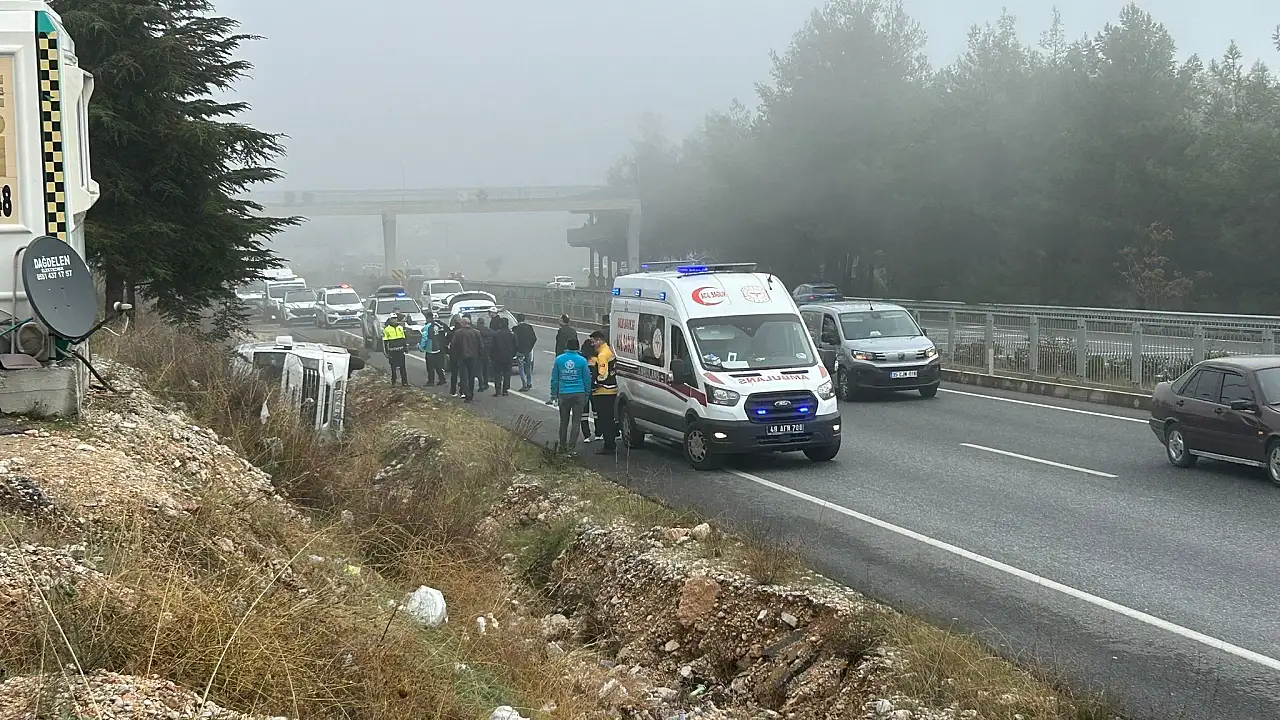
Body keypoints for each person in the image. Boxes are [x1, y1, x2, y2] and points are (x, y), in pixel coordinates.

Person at [550, 336, 590, 453]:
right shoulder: (582, 361)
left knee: (563, 422)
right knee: (576, 422)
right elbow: (587, 379)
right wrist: (587, 394)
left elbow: (554, 379)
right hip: (579, 393)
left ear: (566, 347)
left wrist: (553, 394)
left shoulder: (559, 360)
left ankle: (562, 446)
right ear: (578, 347)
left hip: (563, 393)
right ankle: (571, 448)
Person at [587, 330, 618, 453]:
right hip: (612, 390)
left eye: (593, 342)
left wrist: (594, 384)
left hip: (603, 391)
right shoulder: (609, 350)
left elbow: (603, 375)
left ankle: (609, 445)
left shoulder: (602, 355)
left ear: (599, 340)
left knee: (605, 420)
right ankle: (611, 442)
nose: (592, 344)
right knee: (609, 418)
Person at [450, 317, 483, 402]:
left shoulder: (458, 333)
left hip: (462, 357)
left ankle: (466, 394)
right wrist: (479, 356)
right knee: (471, 376)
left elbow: (453, 345)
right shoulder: (476, 332)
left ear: (463, 323)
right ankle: (471, 393)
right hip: (473, 357)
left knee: (464, 377)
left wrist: (455, 356)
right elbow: (480, 346)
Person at [419, 311, 448, 386]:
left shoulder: (427, 327)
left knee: (430, 366)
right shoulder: (438, 325)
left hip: (430, 348)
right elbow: (444, 334)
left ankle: (431, 381)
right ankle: (442, 379)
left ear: (427, 318)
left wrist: (421, 347)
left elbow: (424, 337)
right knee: (438, 365)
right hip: (438, 348)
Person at [490, 316, 517, 397]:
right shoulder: (512, 334)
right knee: (507, 374)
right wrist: (512, 354)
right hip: (508, 357)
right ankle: (505, 390)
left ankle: (498, 390)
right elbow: (516, 346)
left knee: (497, 374)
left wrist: (492, 356)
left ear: (500, 325)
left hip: (497, 357)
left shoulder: (496, 334)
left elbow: (492, 346)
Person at [512, 313, 537, 391]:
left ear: (517, 320)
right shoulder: (529, 327)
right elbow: (534, 338)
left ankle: (524, 384)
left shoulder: (515, 329)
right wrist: (530, 347)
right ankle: (529, 383)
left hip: (520, 351)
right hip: (528, 350)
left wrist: (516, 350)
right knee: (528, 367)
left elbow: (514, 341)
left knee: (521, 368)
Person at [382, 314, 408, 386]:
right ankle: (394, 381)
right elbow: (385, 342)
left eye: (396, 318)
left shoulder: (400, 328)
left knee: (402, 367)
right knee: (393, 367)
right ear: (390, 319)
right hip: (392, 351)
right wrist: (386, 352)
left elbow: (403, 339)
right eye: (393, 318)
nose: (395, 320)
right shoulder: (386, 329)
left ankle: (404, 382)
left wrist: (405, 348)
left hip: (400, 350)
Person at [477, 316, 495, 391]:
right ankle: (486, 383)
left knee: (479, 370)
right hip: (487, 353)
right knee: (486, 370)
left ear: (478, 323)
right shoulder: (489, 331)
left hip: (479, 353)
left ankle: (481, 385)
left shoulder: (476, 331)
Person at [447, 316, 462, 396]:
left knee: (454, 374)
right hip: (463, 355)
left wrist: (448, 352)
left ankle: (453, 390)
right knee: (463, 373)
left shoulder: (451, 332)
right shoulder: (464, 332)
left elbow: (445, 343)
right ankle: (462, 390)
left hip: (453, 355)